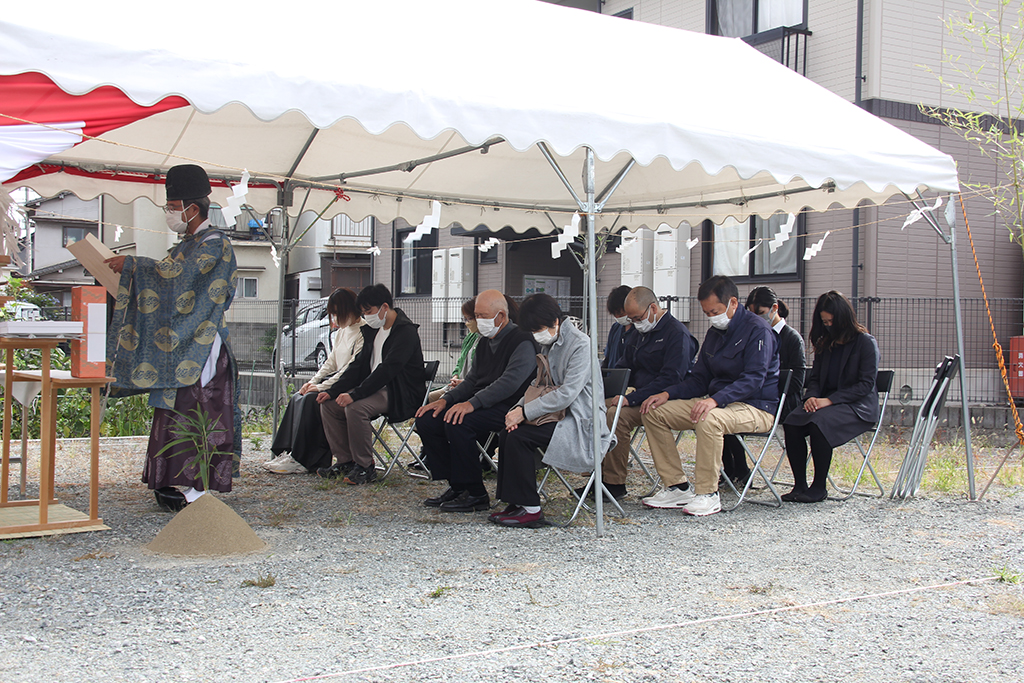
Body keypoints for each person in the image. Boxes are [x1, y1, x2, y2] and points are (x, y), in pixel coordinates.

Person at [104, 164, 240, 511]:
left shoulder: (216, 245)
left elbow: (179, 279)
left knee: (197, 412)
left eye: (172, 206)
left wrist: (135, 266)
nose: (170, 213)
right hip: (180, 345)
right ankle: (168, 482)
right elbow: (168, 280)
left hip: (202, 344)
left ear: (192, 209)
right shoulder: (187, 244)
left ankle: (197, 487)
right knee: (173, 412)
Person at [639, 275, 779, 516]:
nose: (711, 317)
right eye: (706, 313)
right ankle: (677, 487)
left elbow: (754, 379)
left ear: (733, 303)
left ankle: (707, 493)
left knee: (708, 418)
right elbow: (699, 378)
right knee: (654, 412)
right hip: (717, 401)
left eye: (714, 311)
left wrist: (715, 400)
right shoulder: (715, 332)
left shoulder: (759, 330)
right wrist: (666, 394)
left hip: (755, 406)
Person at [493, 293, 612, 528]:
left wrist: (525, 413)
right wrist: (517, 409)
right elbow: (537, 384)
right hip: (558, 415)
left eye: (537, 329)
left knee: (519, 437)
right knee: (507, 433)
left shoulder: (581, 344)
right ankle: (516, 501)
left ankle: (531, 508)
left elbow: (567, 393)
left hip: (581, 421)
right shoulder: (551, 341)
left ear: (555, 322)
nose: (536, 335)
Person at [416, 289, 537, 512]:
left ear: (501, 316)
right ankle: (456, 484)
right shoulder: (484, 342)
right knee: (427, 419)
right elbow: (472, 380)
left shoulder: (522, 340)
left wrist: (471, 404)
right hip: (483, 404)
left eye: (482, 316)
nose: (477, 321)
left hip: (510, 407)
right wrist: (446, 400)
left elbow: (508, 383)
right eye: (476, 315)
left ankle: (475, 493)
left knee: (459, 421)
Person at [317, 283, 426, 485]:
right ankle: (345, 461)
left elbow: (388, 371)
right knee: (329, 405)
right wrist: (332, 391)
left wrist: (355, 394)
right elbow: (358, 367)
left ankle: (365, 467)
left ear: (385, 307)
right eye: (364, 312)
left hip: (398, 392)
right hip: (374, 389)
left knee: (355, 406)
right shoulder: (373, 331)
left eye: (369, 311)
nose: (366, 316)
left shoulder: (405, 332)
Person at [599, 286, 697, 500]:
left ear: (653, 308)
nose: (634, 323)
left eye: (636, 318)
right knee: (594, 408)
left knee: (615, 415)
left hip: (665, 399)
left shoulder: (677, 334)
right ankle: (598, 476)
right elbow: (625, 366)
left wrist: (629, 398)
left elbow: (671, 378)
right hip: (640, 395)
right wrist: (607, 387)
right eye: (631, 319)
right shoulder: (640, 332)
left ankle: (613, 483)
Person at [782, 290, 879, 503]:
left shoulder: (865, 343)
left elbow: (865, 385)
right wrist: (812, 397)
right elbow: (815, 378)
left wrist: (829, 400)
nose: (828, 326)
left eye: (831, 321)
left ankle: (819, 486)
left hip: (857, 406)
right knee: (792, 422)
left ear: (843, 319)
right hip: (827, 403)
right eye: (824, 322)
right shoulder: (826, 344)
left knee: (819, 423)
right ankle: (799, 484)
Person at [264, 288, 364, 474]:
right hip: (336, 380)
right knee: (298, 397)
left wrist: (320, 387)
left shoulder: (362, 332)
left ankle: (305, 459)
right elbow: (331, 361)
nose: (334, 319)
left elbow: (350, 370)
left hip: (349, 385)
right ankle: (290, 452)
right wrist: (313, 381)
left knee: (312, 399)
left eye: (336, 314)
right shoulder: (343, 331)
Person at [721, 286, 806, 485]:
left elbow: (797, 382)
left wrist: (762, 388)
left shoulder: (791, 338)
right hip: (755, 396)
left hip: (780, 401)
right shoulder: (752, 333)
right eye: (752, 314)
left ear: (774, 309)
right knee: (721, 413)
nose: (756, 318)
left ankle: (739, 470)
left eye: (760, 313)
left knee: (728, 418)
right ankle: (732, 470)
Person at [427, 298, 480, 403]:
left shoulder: (486, 341)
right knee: (429, 397)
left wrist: (463, 382)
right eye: (465, 319)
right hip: (458, 384)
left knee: (439, 402)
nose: (466, 323)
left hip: (469, 388)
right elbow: (460, 361)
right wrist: (455, 376)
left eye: (469, 319)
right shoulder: (471, 337)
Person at [602, 285, 633, 370]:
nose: (618, 317)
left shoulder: (640, 330)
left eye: (621, 314)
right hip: (612, 377)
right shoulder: (616, 328)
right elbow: (607, 358)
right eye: (615, 315)